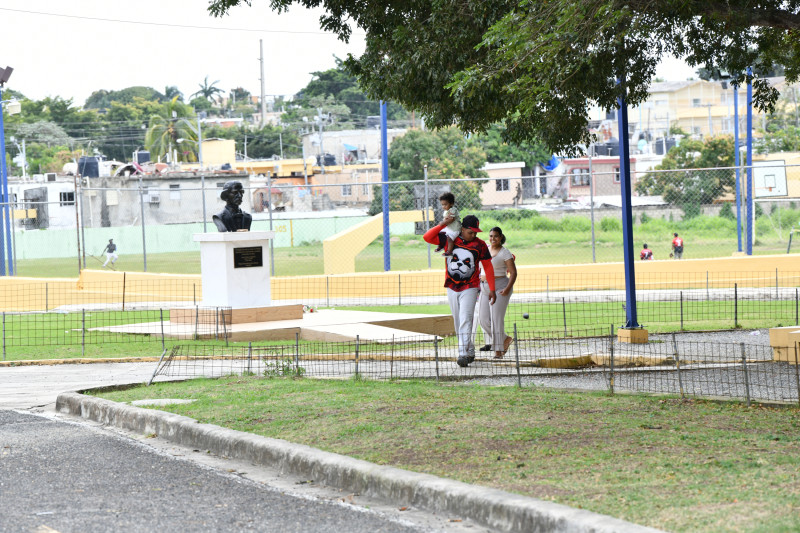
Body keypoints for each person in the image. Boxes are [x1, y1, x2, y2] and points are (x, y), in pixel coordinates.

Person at [424, 214, 496, 367]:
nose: (474, 235)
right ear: (462, 229)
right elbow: (427, 237)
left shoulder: (480, 245)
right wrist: (443, 224)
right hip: (452, 286)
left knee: (466, 318)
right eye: (471, 232)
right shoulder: (450, 239)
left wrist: (492, 289)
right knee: (458, 321)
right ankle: (469, 349)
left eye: (476, 232)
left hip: (470, 286)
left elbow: (488, 267)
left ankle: (462, 353)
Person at [477, 227, 517, 359]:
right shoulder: (485, 249)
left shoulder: (505, 253)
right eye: (491, 236)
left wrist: (507, 289)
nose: (493, 238)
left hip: (500, 286)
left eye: (496, 236)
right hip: (485, 287)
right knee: (483, 320)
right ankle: (505, 339)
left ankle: (498, 351)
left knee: (496, 320)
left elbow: (513, 273)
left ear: (501, 237)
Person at [433, 192, 461, 256]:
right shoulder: (446, 211)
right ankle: (441, 246)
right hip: (449, 228)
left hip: (455, 229)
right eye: (442, 205)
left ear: (451, 204)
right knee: (440, 233)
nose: (443, 206)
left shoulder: (453, 210)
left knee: (449, 238)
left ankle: (449, 251)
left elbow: (451, 219)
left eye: (445, 204)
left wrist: (443, 222)